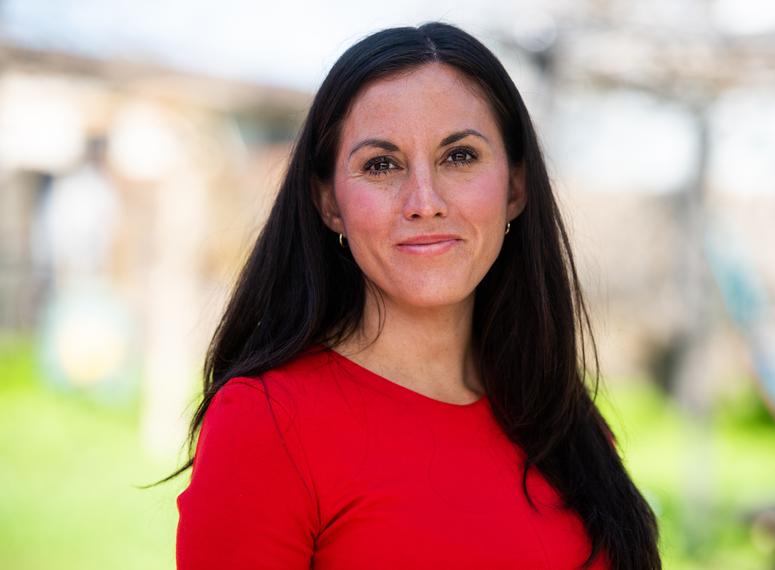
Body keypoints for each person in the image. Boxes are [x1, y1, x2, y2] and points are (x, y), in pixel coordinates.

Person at [174, 22, 660, 569]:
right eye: (382, 165)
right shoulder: (267, 425)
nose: (424, 202)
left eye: (460, 157)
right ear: (330, 202)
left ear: (516, 188)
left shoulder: (567, 425)